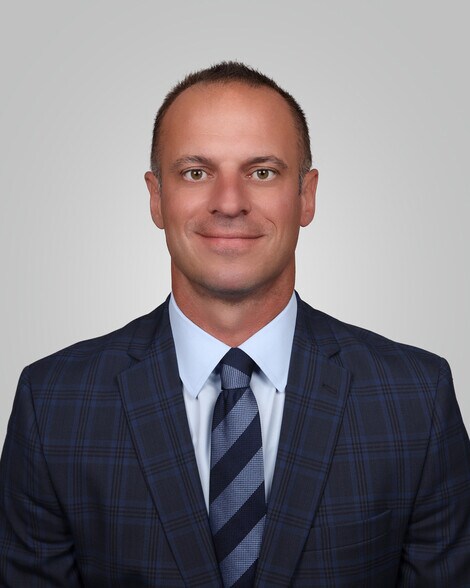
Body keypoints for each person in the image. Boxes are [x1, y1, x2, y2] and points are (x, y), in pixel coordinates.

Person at [0, 61, 469, 588]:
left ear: (306, 195)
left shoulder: (415, 400)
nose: (229, 203)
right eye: (196, 173)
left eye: (261, 172)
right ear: (156, 197)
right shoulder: (53, 405)